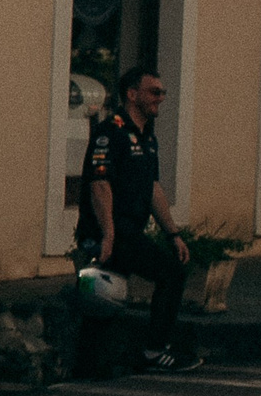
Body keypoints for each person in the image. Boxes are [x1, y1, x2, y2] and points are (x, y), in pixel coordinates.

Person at [81, 66, 199, 371]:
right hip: (113, 231)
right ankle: (154, 351)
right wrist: (108, 234)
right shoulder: (111, 132)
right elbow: (99, 185)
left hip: (129, 229)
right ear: (132, 94)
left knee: (105, 297)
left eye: (162, 92)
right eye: (154, 92)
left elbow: (152, 188)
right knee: (170, 274)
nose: (161, 98)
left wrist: (173, 234)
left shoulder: (147, 137)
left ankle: (91, 365)